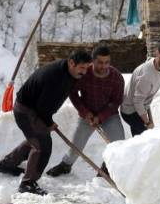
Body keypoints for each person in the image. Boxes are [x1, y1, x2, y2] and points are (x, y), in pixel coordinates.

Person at [0, 50, 93, 195]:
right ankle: (28, 183)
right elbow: (43, 108)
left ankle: (7, 165)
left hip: (33, 109)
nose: (84, 72)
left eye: (86, 68)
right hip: (28, 111)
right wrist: (49, 123)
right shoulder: (55, 78)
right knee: (42, 145)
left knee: (35, 139)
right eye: (82, 68)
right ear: (71, 63)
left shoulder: (67, 71)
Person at [46, 45, 125, 177]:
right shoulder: (83, 73)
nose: (104, 66)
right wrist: (84, 112)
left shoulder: (116, 77)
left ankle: (108, 168)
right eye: (100, 62)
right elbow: (73, 93)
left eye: (107, 62)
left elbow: (116, 101)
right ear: (92, 61)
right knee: (76, 144)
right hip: (87, 114)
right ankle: (65, 165)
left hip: (108, 115)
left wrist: (101, 116)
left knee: (119, 143)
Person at [120, 39, 160, 136]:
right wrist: (147, 123)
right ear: (158, 54)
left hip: (140, 107)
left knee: (139, 140)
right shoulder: (146, 76)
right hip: (130, 111)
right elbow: (137, 102)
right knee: (147, 137)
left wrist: (149, 118)